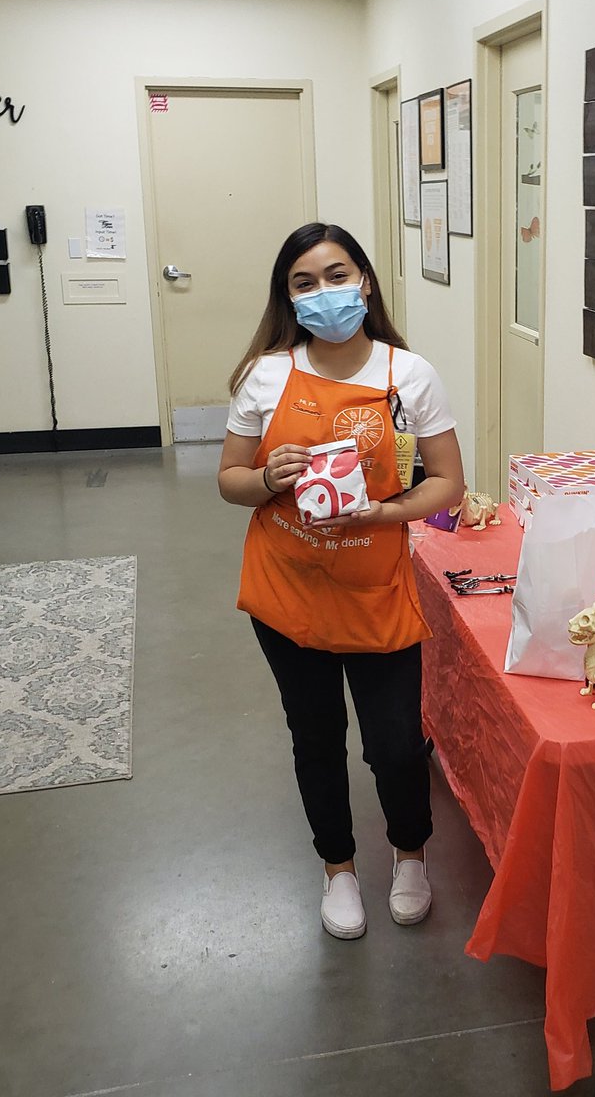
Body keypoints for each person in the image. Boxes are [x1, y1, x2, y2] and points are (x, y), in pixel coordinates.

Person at [218, 222, 465, 941]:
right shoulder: (268, 375)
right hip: (286, 588)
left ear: (364, 282)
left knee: (393, 744)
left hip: (374, 588)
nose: (323, 292)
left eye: (336, 275)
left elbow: (448, 484)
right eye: (303, 282)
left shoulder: (406, 375)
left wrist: (386, 510)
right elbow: (230, 482)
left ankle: (411, 855)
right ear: (288, 299)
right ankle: (338, 869)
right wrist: (269, 476)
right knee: (315, 736)